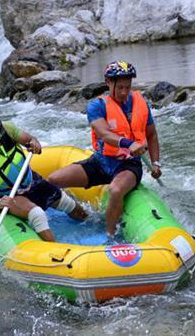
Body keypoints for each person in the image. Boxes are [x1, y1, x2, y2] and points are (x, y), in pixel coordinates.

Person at [48, 61, 162, 238]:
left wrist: (155, 163)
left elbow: (152, 135)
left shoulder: (140, 104)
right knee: (53, 180)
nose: (124, 92)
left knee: (115, 190)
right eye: (120, 87)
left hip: (129, 166)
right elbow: (104, 134)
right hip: (101, 162)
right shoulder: (96, 106)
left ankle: (110, 237)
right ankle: (74, 210)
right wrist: (128, 143)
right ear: (108, 82)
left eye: (128, 87)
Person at [0, 108, 87, 242]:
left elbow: (30, 140)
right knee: (38, 215)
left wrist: (35, 144)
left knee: (69, 204)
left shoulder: (7, 129)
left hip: (31, 181)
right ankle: (57, 252)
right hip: (8, 196)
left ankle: (93, 227)